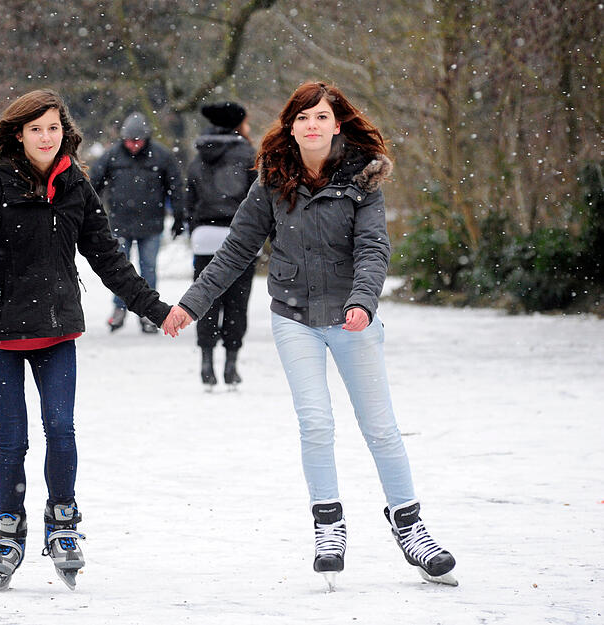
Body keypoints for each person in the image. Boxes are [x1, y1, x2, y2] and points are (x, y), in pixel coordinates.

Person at [163, 82, 457, 589]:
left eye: (321, 116)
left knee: (380, 428)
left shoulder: (363, 179)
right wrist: (192, 304)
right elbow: (237, 249)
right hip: (294, 317)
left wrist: (362, 301)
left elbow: (373, 247)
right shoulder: (272, 180)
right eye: (303, 117)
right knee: (316, 423)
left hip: (351, 317)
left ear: (337, 124)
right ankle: (328, 526)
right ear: (292, 127)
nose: (312, 125)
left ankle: (410, 527)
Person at [0, 89, 176, 592]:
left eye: (52, 128)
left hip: (55, 330)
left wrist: (154, 310)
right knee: (12, 440)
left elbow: (109, 259)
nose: (45, 137)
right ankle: (8, 533)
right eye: (35, 129)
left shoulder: (75, 187)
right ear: (19, 135)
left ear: (63, 132)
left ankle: (63, 523)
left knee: (61, 429)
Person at [182, 101, 258, 389]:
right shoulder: (248, 155)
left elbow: (189, 198)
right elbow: (258, 199)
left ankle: (206, 362)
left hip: (205, 237)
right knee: (237, 303)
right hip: (240, 238)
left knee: (206, 300)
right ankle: (231, 365)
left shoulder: (199, 154)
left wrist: (194, 228)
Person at [90, 111, 185, 333]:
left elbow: (176, 187)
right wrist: (91, 215)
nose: (133, 145)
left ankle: (149, 313)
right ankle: (119, 307)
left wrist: (179, 216)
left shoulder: (161, 156)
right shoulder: (112, 156)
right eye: (129, 140)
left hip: (151, 224)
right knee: (119, 269)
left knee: (148, 268)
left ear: (146, 138)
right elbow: (93, 186)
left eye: (137, 140)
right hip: (120, 222)